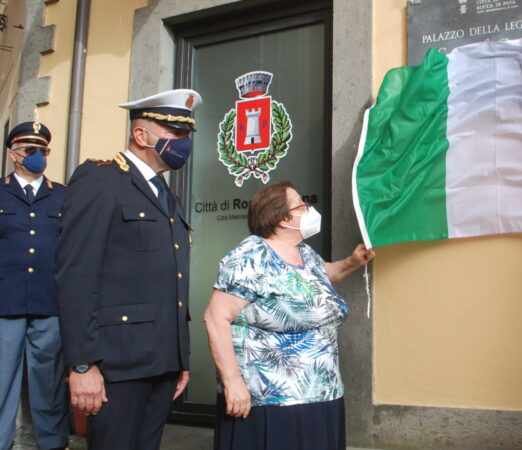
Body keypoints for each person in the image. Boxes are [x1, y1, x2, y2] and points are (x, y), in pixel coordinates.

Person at [55, 89, 202, 449]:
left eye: (186, 136)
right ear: (141, 135)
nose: (183, 144)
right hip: (116, 364)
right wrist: (83, 365)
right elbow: (76, 276)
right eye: (174, 134)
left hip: (161, 361)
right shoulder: (101, 180)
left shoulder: (167, 195)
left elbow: (170, 281)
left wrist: (179, 357)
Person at [204, 181, 374, 450]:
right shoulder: (250, 257)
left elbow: (320, 278)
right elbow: (216, 318)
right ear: (283, 218)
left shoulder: (305, 252)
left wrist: (352, 262)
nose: (309, 209)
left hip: (321, 390)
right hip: (272, 399)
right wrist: (233, 383)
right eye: (302, 204)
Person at [0, 122, 70, 450]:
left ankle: (53, 444)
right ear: (14, 155)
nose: (38, 157)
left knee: (49, 384)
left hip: (49, 301)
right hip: (6, 303)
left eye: (43, 151)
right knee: (1, 383)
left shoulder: (62, 195)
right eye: (31, 151)